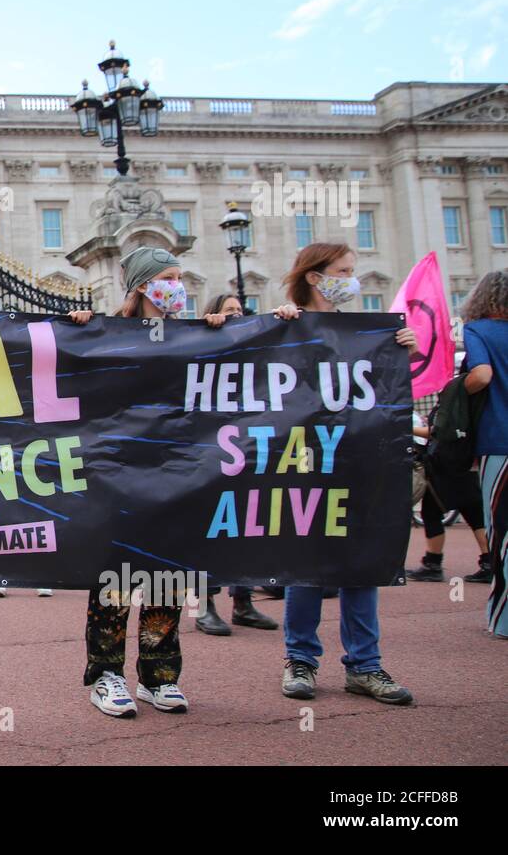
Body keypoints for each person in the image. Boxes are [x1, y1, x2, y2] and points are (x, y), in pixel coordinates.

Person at [67, 247, 231, 718]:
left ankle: (160, 675)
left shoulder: (195, 334)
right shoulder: (105, 334)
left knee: (168, 575)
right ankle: (106, 675)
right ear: (142, 286)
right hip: (117, 474)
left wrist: (281, 319)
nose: (179, 285)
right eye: (170, 277)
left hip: (177, 473)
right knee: (115, 579)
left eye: (179, 277)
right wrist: (71, 327)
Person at [273, 242, 417, 704]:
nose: (352, 278)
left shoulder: (367, 332)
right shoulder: (289, 325)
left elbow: (383, 390)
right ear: (315, 277)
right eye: (343, 270)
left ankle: (365, 665)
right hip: (306, 460)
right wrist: (274, 326)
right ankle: (300, 660)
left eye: (353, 270)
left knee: (362, 561)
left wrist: (405, 355)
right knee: (306, 563)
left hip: (359, 460)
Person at [193, 294, 279, 635]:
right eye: (229, 311)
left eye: (241, 311)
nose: (237, 316)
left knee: (244, 528)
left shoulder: (252, 348)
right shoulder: (199, 345)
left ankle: (243, 602)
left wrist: (282, 318)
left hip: (245, 450)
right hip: (208, 453)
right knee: (208, 532)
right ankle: (204, 605)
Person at [461, 269, 508, 637]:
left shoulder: (478, 330)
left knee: (503, 531)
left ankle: (504, 618)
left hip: (499, 440)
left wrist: (460, 391)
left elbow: (482, 375)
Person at [408, 411, 493, 583]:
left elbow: (435, 432)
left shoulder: (452, 401)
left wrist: (408, 428)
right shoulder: (469, 404)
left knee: (431, 514)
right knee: (476, 517)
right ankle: (489, 562)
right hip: (465, 465)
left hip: (444, 467)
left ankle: (433, 564)